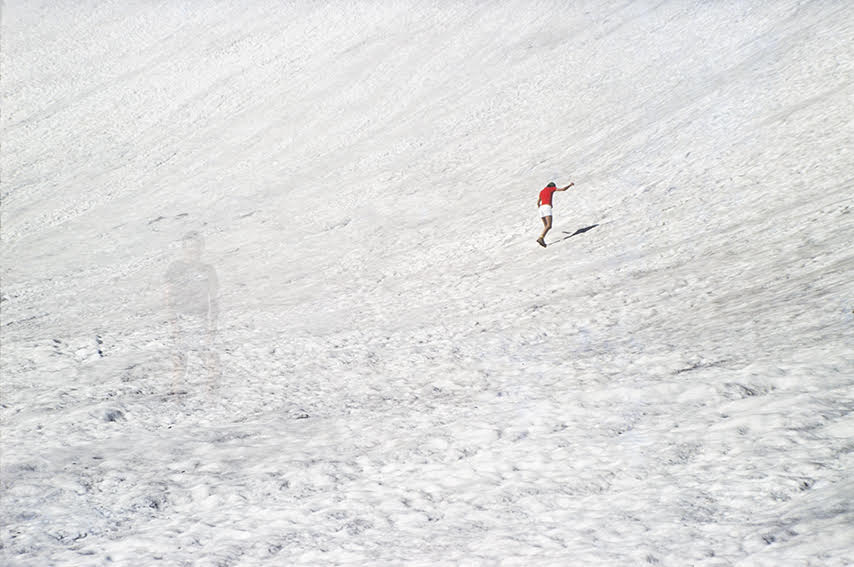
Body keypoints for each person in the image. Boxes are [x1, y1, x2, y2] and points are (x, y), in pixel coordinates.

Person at [164, 231, 221, 392]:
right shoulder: (176, 267)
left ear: (202, 248)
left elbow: (214, 295)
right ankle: (177, 387)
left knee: (207, 352)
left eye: (196, 246)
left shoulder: (208, 269)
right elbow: (168, 292)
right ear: (183, 248)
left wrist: (213, 320)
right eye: (189, 246)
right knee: (179, 353)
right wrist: (171, 318)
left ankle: (213, 388)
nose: (192, 250)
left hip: (201, 316)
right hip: (181, 315)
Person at [537, 181, 574, 247]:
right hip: (546, 207)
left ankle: (542, 238)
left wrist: (541, 208)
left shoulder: (542, 191)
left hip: (541, 209)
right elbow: (563, 189)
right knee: (549, 225)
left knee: (546, 226)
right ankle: (541, 238)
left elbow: (538, 202)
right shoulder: (551, 188)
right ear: (552, 186)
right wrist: (570, 185)